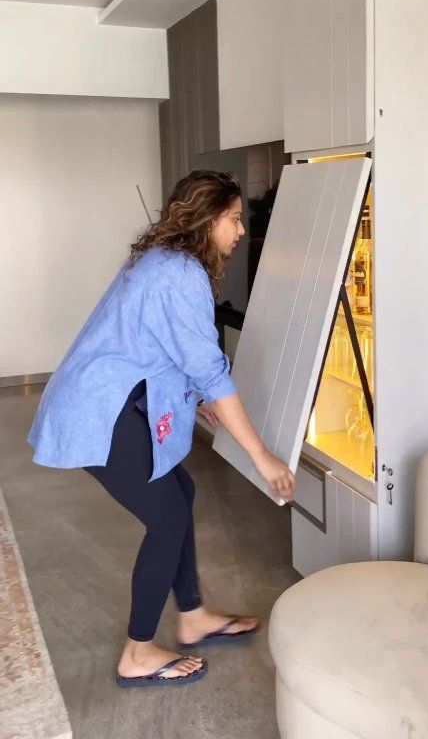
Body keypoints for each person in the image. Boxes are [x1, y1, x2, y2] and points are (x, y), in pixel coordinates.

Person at [28, 170, 296, 688]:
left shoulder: (164, 261)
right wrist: (261, 457)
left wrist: (197, 402)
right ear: (209, 217)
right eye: (236, 219)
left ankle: (192, 617)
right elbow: (208, 369)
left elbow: (157, 346)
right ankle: (138, 651)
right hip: (103, 409)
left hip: (113, 398)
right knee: (168, 517)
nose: (241, 231)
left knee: (181, 491)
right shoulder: (180, 273)